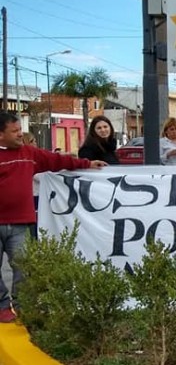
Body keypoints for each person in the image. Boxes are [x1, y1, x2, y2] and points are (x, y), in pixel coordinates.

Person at [0, 112, 108, 323]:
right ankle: (2, 306)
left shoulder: (29, 153)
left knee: (24, 268)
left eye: (20, 129)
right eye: (14, 131)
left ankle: (24, 308)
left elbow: (57, 160)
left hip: (22, 223)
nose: (20, 134)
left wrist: (86, 164)